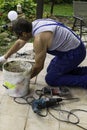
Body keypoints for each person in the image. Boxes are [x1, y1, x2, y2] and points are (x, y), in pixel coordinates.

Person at [0, 18, 87, 88]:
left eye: (18, 36)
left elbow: (38, 67)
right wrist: (4, 57)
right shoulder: (34, 24)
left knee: (51, 79)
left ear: (24, 33)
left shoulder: (39, 39)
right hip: (70, 48)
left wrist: (23, 81)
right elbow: (19, 43)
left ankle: (84, 81)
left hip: (75, 53)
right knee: (50, 70)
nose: (18, 38)